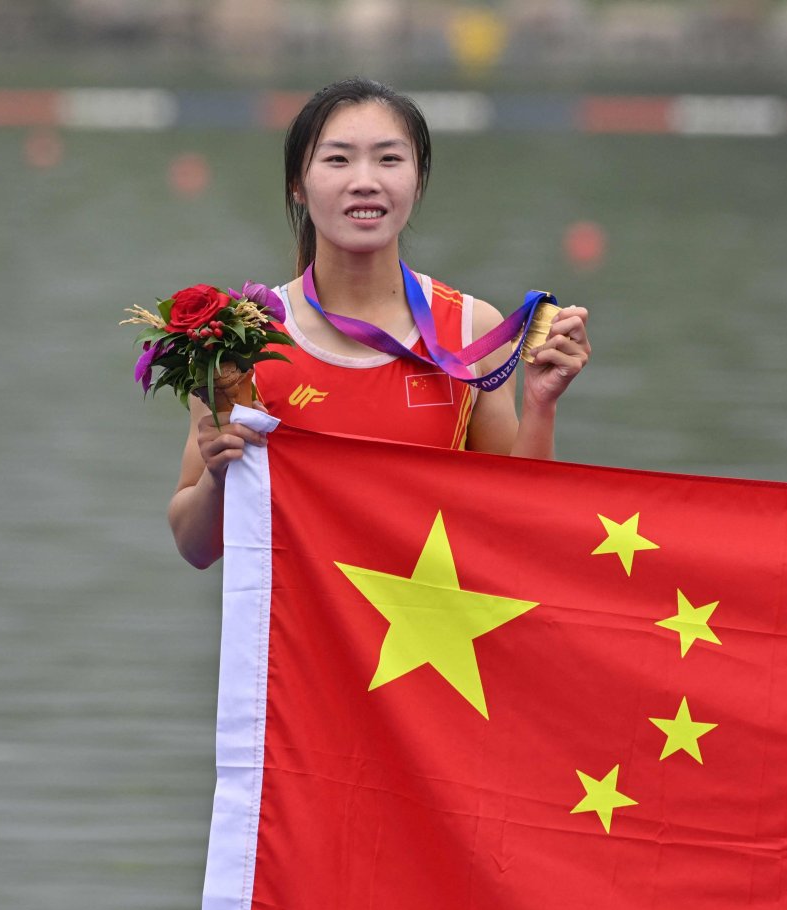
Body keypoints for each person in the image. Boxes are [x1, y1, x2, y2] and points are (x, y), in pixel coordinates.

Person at [168, 77, 592, 568]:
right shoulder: (238, 339)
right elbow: (195, 548)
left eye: (389, 159)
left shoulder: (472, 330)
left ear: (418, 180)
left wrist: (541, 404)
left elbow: (521, 529)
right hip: (297, 642)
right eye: (338, 159)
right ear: (297, 187)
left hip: (429, 640)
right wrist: (219, 479)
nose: (365, 180)